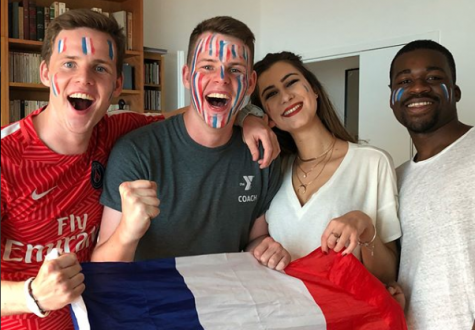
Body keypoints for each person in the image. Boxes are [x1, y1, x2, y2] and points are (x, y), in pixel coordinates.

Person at [0, 10, 278, 330]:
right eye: (69, 64)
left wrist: (251, 115)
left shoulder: (117, 131)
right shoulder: (6, 159)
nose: (84, 79)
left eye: (100, 68)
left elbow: (201, 112)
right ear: (45, 72)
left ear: (117, 84)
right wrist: (32, 295)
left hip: (101, 317)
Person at [92, 16, 289, 270]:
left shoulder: (262, 155)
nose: (222, 79)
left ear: (250, 83)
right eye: (207, 66)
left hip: (225, 299)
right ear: (186, 76)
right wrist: (128, 230)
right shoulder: (136, 152)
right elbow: (102, 268)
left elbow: (255, 239)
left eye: (235, 69)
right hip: (153, 303)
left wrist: (265, 248)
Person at [250, 51, 402, 284]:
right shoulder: (271, 170)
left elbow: (388, 274)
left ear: (314, 89)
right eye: (271, 94)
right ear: (268, 115)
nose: (286, 96)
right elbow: (253, 242)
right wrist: (264, 249)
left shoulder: (372, 162)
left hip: (343, 316)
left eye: (291, 82)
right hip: (283, 313)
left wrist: (364, 225)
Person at [389, 40, 474, 330]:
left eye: (434, 78)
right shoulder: (394, 178)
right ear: (392, 99)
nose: (417, 88)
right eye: (404, 80)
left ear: (457, 91)